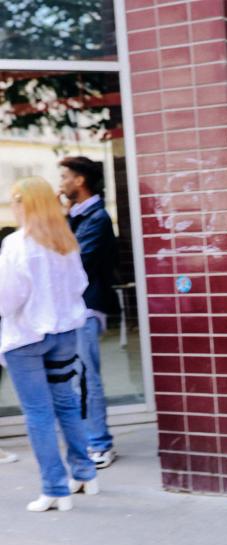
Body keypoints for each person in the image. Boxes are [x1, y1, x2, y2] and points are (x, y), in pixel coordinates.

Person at [0, 177, 98, 511]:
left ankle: (55, 490)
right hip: (64, 334)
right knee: (66, 404)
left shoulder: (17, 244)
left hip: (26, 337)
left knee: (38, 414)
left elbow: (7, 299)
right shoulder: (64, 241)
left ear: (23, 203)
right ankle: (85, 474)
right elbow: (79, 285)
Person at [59, 156, 119, 469]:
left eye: (65, 177)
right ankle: (90, 440)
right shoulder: (79, 216)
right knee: (78, 378)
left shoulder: (97, 218)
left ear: (80, 180)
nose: (61, 183)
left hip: (87, 308)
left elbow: (73, 263)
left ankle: (100, 444)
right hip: (74, 309)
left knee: (87, 378)